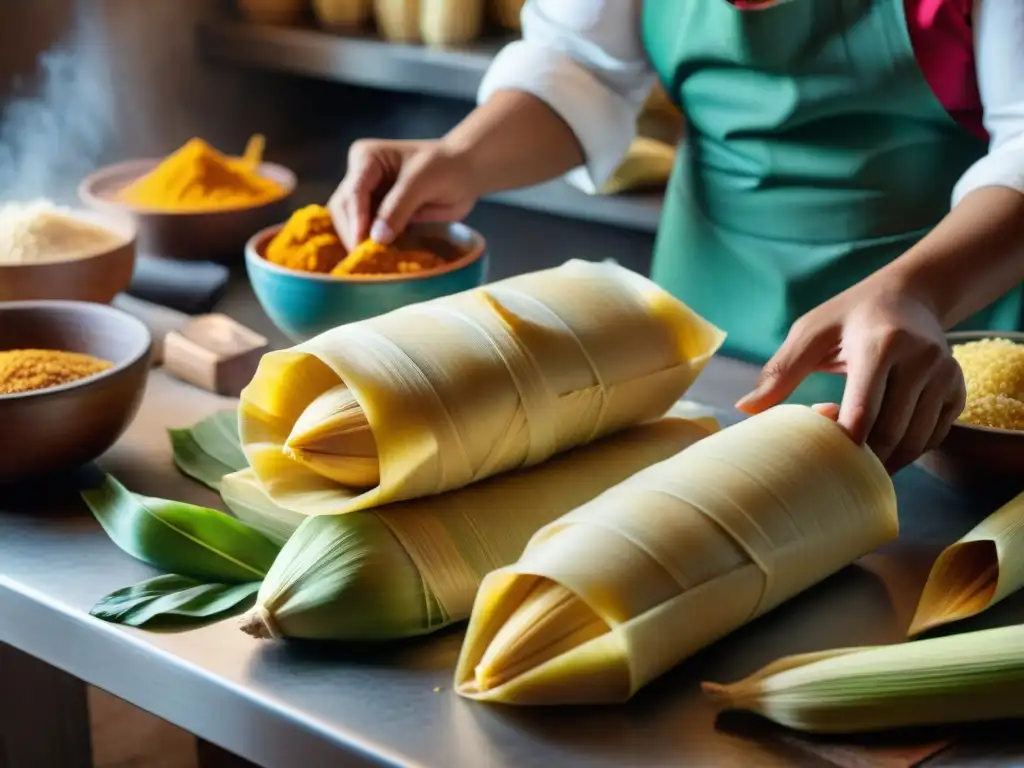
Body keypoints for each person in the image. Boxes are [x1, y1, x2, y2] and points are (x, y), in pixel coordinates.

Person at [329, 0, 1024, 472]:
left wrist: (920, 292)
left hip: (940, 327)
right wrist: (463, 157)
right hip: (700, 322)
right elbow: (582, 65)